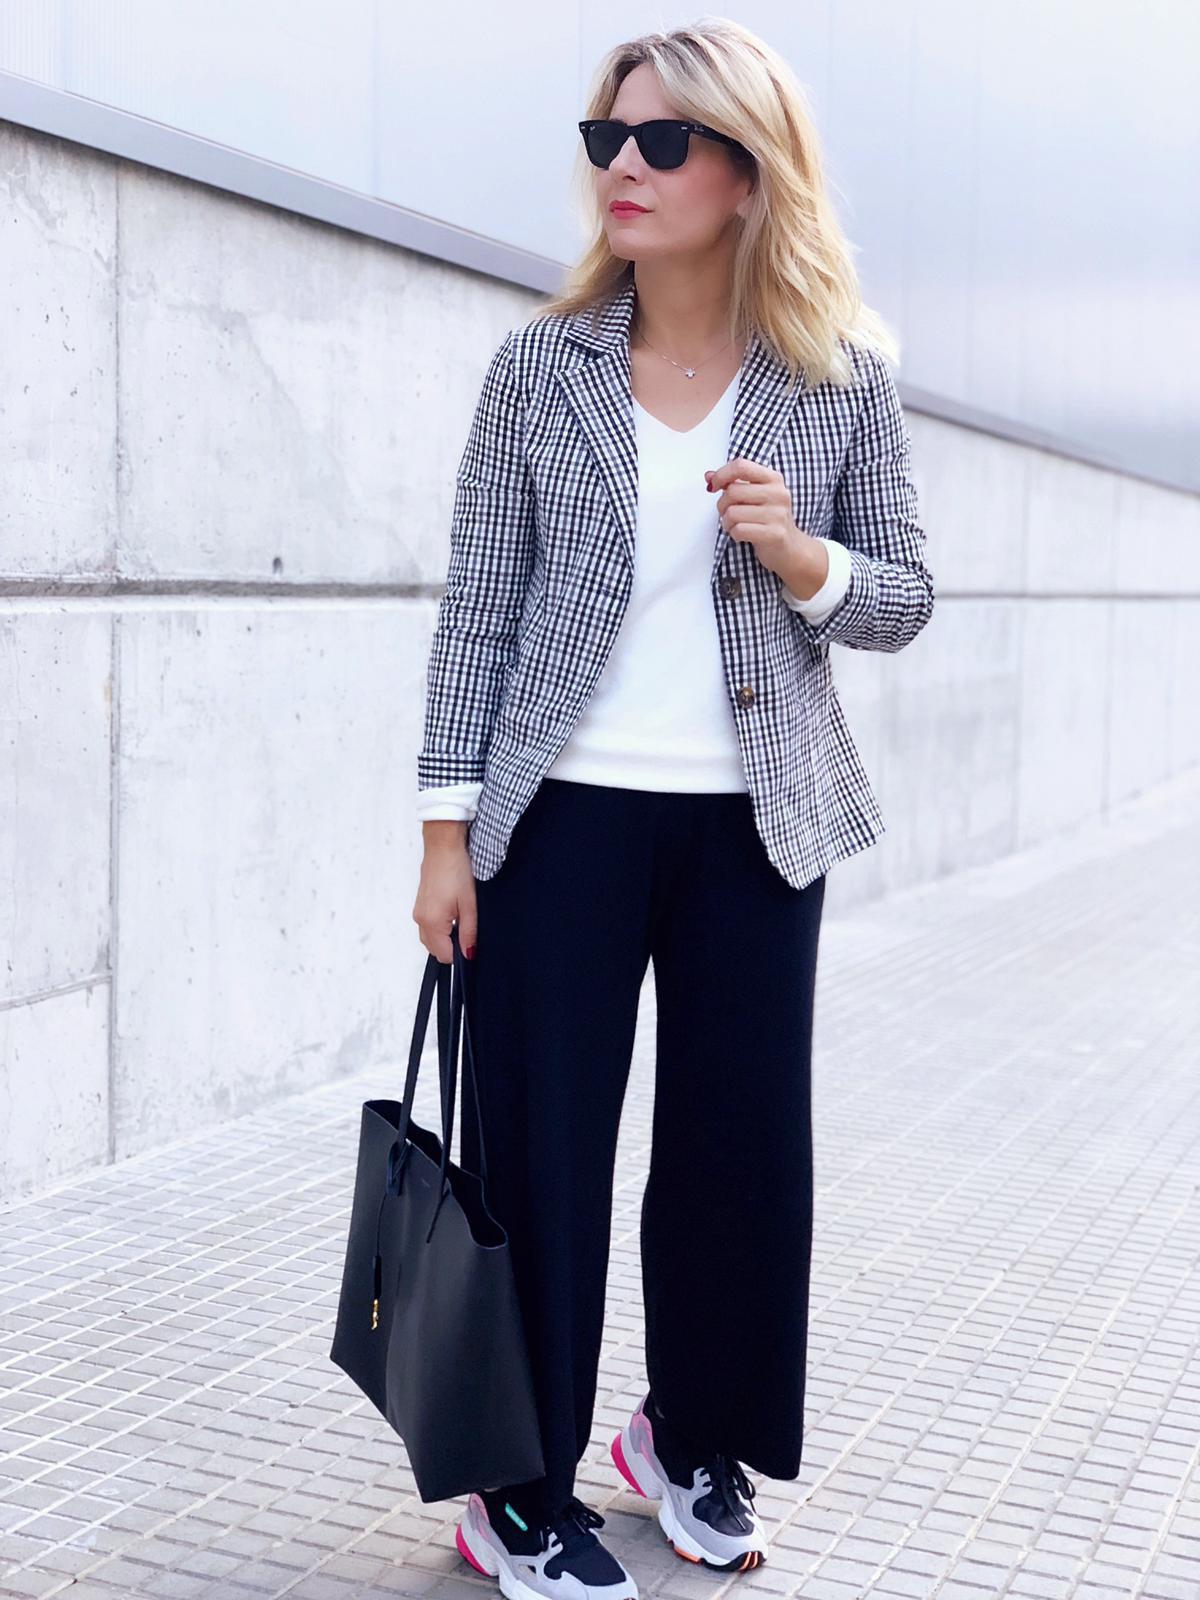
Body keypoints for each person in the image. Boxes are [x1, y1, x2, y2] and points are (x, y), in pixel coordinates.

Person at [411, 19, 934, 1599]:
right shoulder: (538, 369)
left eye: (660, 141)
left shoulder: (839, 376)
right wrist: (444, 838)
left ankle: (693, 1441)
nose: (622, 169)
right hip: (560, 820)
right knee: (543, 1163)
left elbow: (904, 597)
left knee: (739, 1160)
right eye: (605, 140)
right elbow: (477, 611)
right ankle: (516, 1492)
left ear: (747, 173)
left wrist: (805, 560)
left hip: (756, 829)